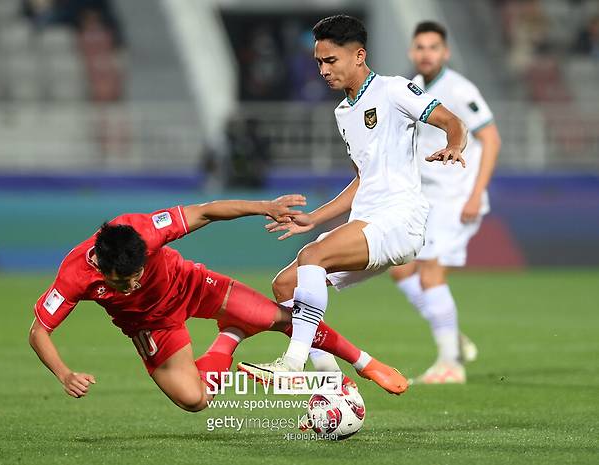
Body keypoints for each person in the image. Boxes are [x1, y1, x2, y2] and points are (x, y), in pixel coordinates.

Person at [237, 15, 468, 387]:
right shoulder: (344, 112)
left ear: (358, 56)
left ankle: (293, 366)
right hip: (367, 223)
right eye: (318, 63)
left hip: (399, 220)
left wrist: (454, 145)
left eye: (331, 61)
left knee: (313, 257)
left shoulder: (394, 90)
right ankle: (333, 387)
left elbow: (452, 121)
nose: (324, 70)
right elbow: (363, 178)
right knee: (285, 286)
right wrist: (314, 218)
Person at [29, 195, 408, 413]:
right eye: (123, 281)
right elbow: (39, 332)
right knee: (195, 401)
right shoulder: (74, 275)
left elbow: (206, 211)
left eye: (138, 273)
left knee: (283, 319)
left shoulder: (146, 229)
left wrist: (264, 207)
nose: (134, 283)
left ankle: (365, 362)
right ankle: (232, 332)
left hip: (193, 285)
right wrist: (65, 374)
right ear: (103, 267)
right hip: (152, 327)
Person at [303, 21, 502, 385]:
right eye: (420, 48)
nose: (426, 54)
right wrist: (315, 218)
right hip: (420, 191)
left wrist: (474, 189)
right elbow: (363, 176)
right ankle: (446, 329)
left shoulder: (453, 88)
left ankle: (450, 360)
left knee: (429, 274)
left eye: (433, 48)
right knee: (400, 271)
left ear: (445, 52)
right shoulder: (397, 92)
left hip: (454, 195)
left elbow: (486, 135)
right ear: (412, 52)